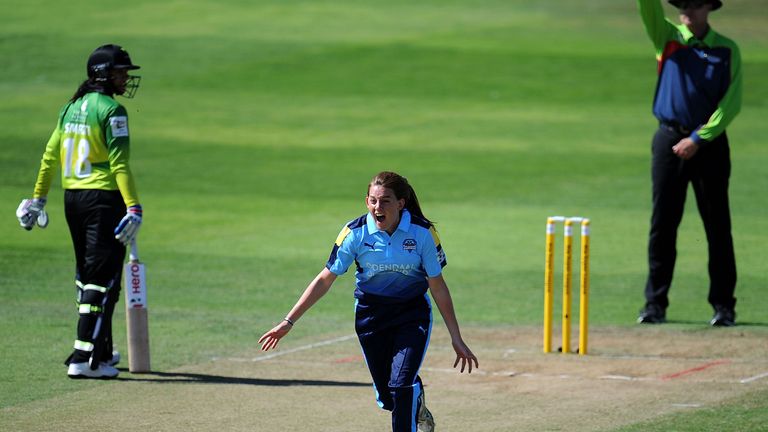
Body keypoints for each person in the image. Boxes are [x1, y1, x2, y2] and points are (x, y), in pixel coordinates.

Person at [259, 171, 478, 432]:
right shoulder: (355, 233)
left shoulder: (422, 233)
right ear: (366, 202)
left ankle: (410, 399)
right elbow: (325, 279)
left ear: (401, 203)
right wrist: (289, 321)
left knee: (401, 385)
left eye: (385, 201)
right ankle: (416, 399)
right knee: (388, 398)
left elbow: (438, 286)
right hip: (370, 315)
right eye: (373, 201)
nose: (378, 207)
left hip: (412, 314)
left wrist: (456, 336)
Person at [16, 44, 144, 378]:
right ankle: (85, 358)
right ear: (103, 74)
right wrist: (134, 207)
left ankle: (100, 349)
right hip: (104, 199)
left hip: (73, 199)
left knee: (88, 275)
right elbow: (119, 165)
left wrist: (38, 199)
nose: (125, 78)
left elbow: (49, 157)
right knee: (102, 279)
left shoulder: (69, 108)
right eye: (120, 72)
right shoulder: (112, 111)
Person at [636, 0, 742, 326]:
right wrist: (684, 140)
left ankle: (723, 306)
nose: (687, 11)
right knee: (663, 225)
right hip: (668, 140)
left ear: (709, 8)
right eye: (682, 4)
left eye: (695, 4)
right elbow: (647, 8)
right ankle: (655, 305)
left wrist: (699, 138)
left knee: (717, 227)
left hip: (708, 145)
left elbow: (731, 102)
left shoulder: (726, 49)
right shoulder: (667, 37)